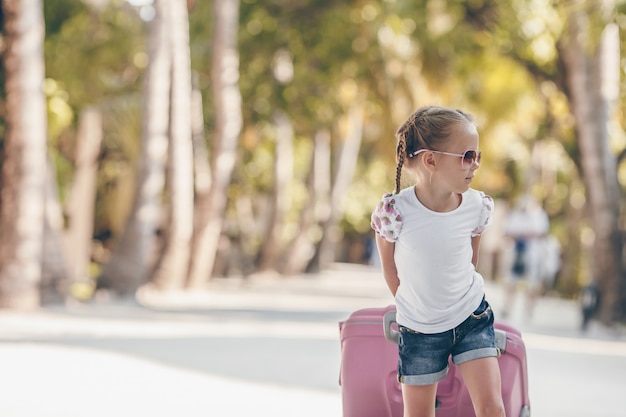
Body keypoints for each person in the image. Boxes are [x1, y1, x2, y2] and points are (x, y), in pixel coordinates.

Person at [370, 106, 504, 417]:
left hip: (472, 318)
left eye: (478, 156)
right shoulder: (395, 211)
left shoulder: (477, 206)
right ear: (431, 160)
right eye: (467, 155)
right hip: (419, 331)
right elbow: (389, 266)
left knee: (492, 407)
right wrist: (411, 304)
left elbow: (471, 257)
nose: (475, 165)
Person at [501, 194, 550, 319]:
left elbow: (541, 233)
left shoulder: (539, 215)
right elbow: (507, 232)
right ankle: (507, 308)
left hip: (533, 255)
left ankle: (529, 311)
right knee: (511, 282)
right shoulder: (515, 215)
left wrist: (522, 234)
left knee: (532, 284)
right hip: (515, 252)